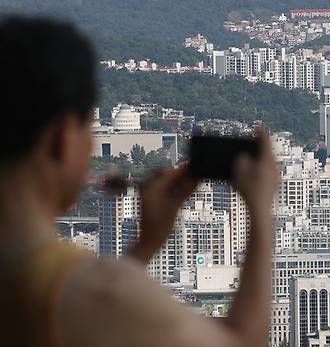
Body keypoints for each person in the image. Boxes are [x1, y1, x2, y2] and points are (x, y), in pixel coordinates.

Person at [0, 17, 279, 347]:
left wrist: (144, 247)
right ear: (62, 138)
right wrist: (261, 212)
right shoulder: (77, 288)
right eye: (90, 129)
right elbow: (242, 342)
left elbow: (96, 313)